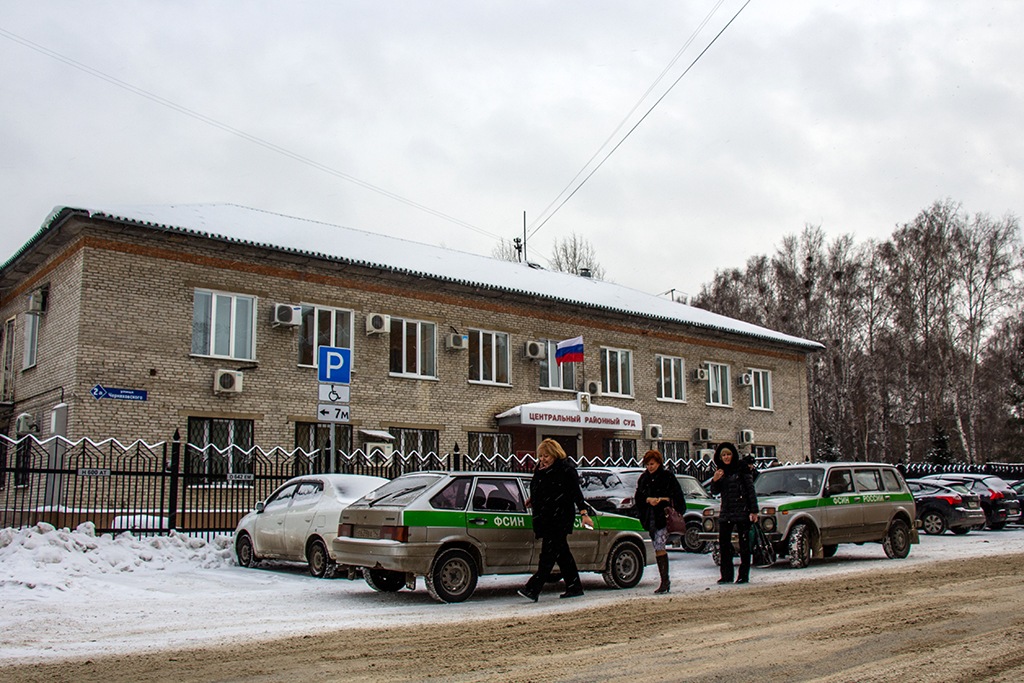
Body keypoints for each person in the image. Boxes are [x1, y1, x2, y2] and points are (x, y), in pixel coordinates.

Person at [518, 439, 593, 601]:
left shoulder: (566, 470)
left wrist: (584, 513)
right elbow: (542, 489)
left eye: (546, 456)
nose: (543, 459)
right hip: (545, 517)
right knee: (562, 554)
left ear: (555, 455)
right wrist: (533, 499)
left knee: (548, 554)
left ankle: (533, 588)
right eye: (541, 456)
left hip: (559, 518)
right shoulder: (541, 470)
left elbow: (576, 493)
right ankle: (575, 587)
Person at [635, 449, 687, 594]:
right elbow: (638, 497)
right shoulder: (643, 479)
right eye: (647, 465)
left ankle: (664, 580)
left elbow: (677, 497)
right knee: (657, 544)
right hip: (650, 517)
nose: (650, 467)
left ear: (658, 463)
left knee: (659, 544)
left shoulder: (667, 477)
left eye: (652, 464)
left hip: (663, 517)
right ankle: (665, 579)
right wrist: (647, 500)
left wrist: (663, 500)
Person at [709, 442, 759, 584]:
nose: (726, 457)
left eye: (728, 454)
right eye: (723, 455)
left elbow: (750, 489)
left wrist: (754, 510)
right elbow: (714, 491)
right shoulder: (721, 471)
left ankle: (743, 575)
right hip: (727, 511)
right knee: (724, 544)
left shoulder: (741, 468)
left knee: (744, 545)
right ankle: (726, 575)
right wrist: (715, 480)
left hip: (742, 511)